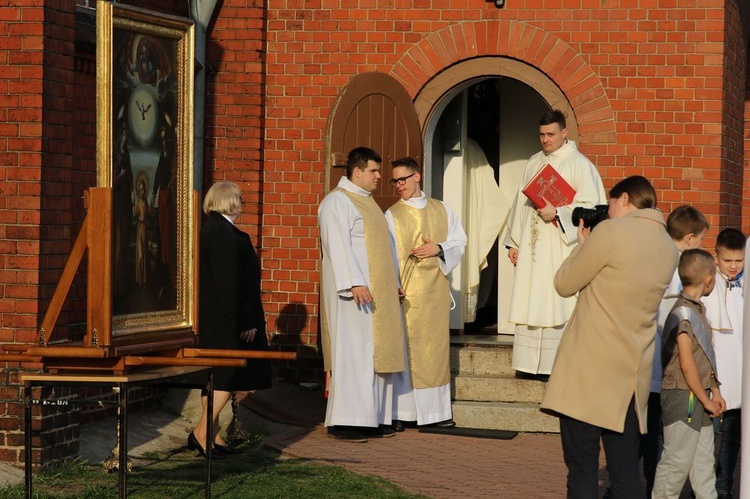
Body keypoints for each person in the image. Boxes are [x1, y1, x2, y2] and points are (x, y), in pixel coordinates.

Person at [540, 176, 679, 498]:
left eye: (612, 202)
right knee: (626, 471)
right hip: (632, 373)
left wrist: (582, 246)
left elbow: (564, 284)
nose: (609, 209)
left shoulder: (610, 232)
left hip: (589, 368)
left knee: (583, 467)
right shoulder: (668, 246)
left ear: (625, 199)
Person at [504, 109, 606, 377]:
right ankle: (527, 366)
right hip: (533, 247)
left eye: (551, 134)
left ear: (564, 133)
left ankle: (552, 366)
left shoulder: (580, 165)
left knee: (555, 300)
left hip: (561, 248)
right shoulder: (534, 162)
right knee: (530, 298)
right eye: (541, 134)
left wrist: (559, 214)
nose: (545, 140)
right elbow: (520, 204)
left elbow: (594, 209)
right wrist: (513, 242)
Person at [318, 146, 406, 442]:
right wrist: (353, 282)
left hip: (375, 296)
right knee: (353, 356)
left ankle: (371, 418)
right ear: (357, 172)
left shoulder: (369, 204)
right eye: (373, 171)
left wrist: (391, 281)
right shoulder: (337, 202)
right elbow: (337, 245)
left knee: (373, 357)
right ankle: (346, 420)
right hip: (352, 297)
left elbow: (384, 249)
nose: (379, 176)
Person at [188, 181, 272, 458]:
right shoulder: (221, 232)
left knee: (214, 378)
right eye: (238, 198)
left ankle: (213, 436)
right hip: (227, 319)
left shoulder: (214, 229)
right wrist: (244, 321)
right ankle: (201, 433)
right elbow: (229, 283)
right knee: (227, 375)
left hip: (216, 316)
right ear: (226, 201)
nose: (242, 204)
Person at [384, 157, 467, 431]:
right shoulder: (391, 215)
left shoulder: (441, 209)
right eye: (395, 181)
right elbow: (385, 255)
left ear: (417, 176)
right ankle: (402, 413)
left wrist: (439, 249)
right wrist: (391, 284)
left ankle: (435, 414)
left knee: (434, 352)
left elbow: (459, 241)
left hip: (434, 292)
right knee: (406, 351)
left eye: (403, 179)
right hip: (406, 294)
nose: (399, 186)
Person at [641, 205, 709, 496]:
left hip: (651, 363)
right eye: (702, 240)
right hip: (673, 372)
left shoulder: (651, 255)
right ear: (691, 237)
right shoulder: (684, 268)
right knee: (670, 448)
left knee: (656, 438)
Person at [652, 249, 726, 499]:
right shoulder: (684, 314)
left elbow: (704, 357)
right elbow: (686, 364)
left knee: (703, 464)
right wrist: (705, 400)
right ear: (708, 279)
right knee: (676, 463)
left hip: (700, 394)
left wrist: (715, 391)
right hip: (685, 397)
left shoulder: (697, 310)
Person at [703, 228, 745, 499]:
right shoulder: (708, 284)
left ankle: (723, 485)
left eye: (739, 261)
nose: (732, 266)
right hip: (713, 374)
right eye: (727, 260)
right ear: (715, 256)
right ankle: (704, 487)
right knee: (706, 438)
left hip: (740, 374)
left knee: (732, 436)